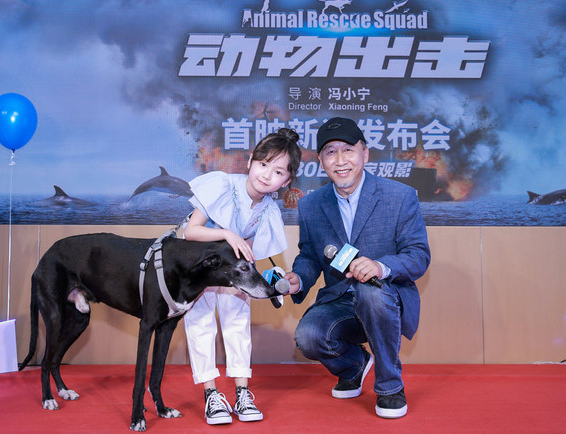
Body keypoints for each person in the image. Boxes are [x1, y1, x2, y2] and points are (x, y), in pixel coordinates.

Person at [283, 117, 430, 419]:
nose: (340, 161)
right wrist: (298, 278)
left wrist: (380, 266)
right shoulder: (311, 205)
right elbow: (310, 255)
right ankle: (354, 365)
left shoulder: (400, 197)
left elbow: (418, 256)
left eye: (348, 150)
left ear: (365, 153)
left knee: (371, 293)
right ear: (321, 161)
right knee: (308, 337)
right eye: (330, 152)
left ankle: (390, 387)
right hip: (339, 300)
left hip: (384, 298)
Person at [182, 128, 302, 425]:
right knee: (201, 325)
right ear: (250, 161)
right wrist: (225, 232)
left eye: (277, 172)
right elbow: (190, 231)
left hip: (230, 273)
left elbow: (249, 252)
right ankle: (211, 394)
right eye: (263, 164)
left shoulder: (269, 211)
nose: (266, 175)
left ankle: (242, 393)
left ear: (285, 181)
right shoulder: (222, 185)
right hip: (196, 266)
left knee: (237, 323)